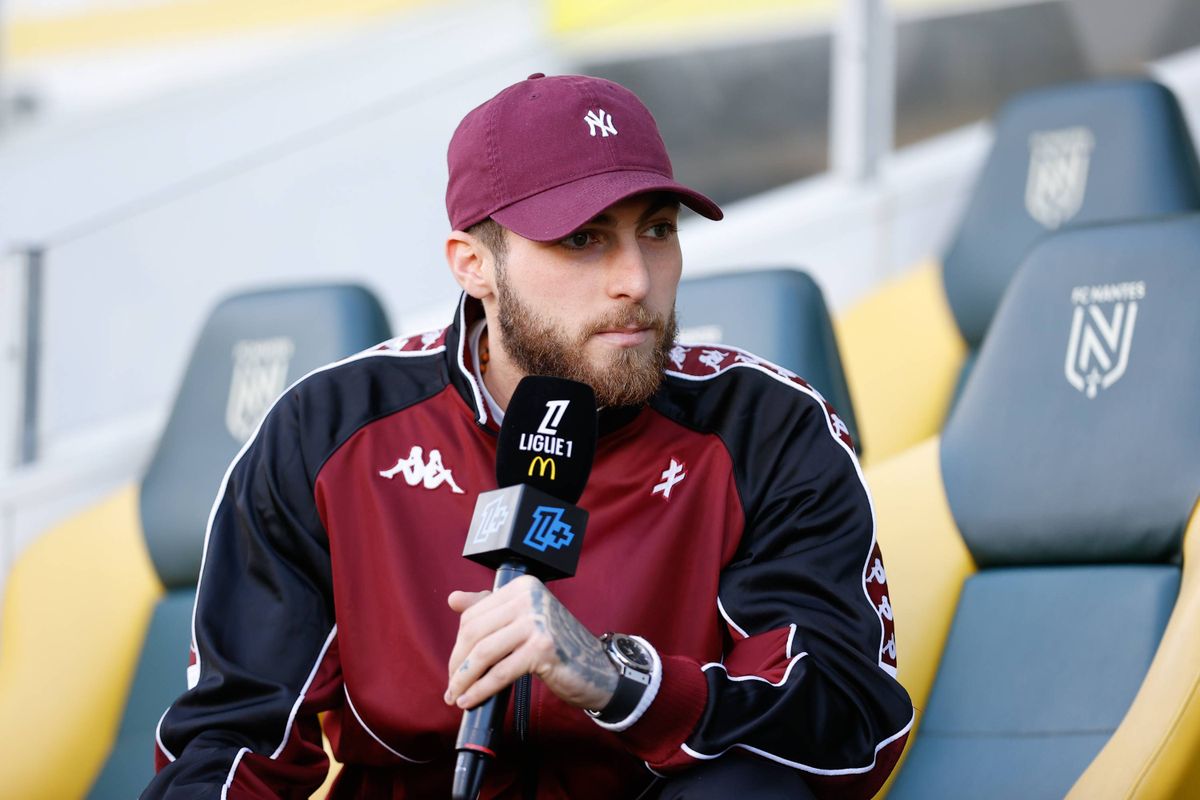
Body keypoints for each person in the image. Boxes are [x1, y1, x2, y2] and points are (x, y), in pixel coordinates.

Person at [145, 73, 913, 799]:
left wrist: (625, 682)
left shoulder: (766, 425)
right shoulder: (329, 431)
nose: (637, 282)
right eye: (583, 240)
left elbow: (850, 725)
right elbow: (234, 738)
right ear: (473, 264)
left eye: (656, 231)